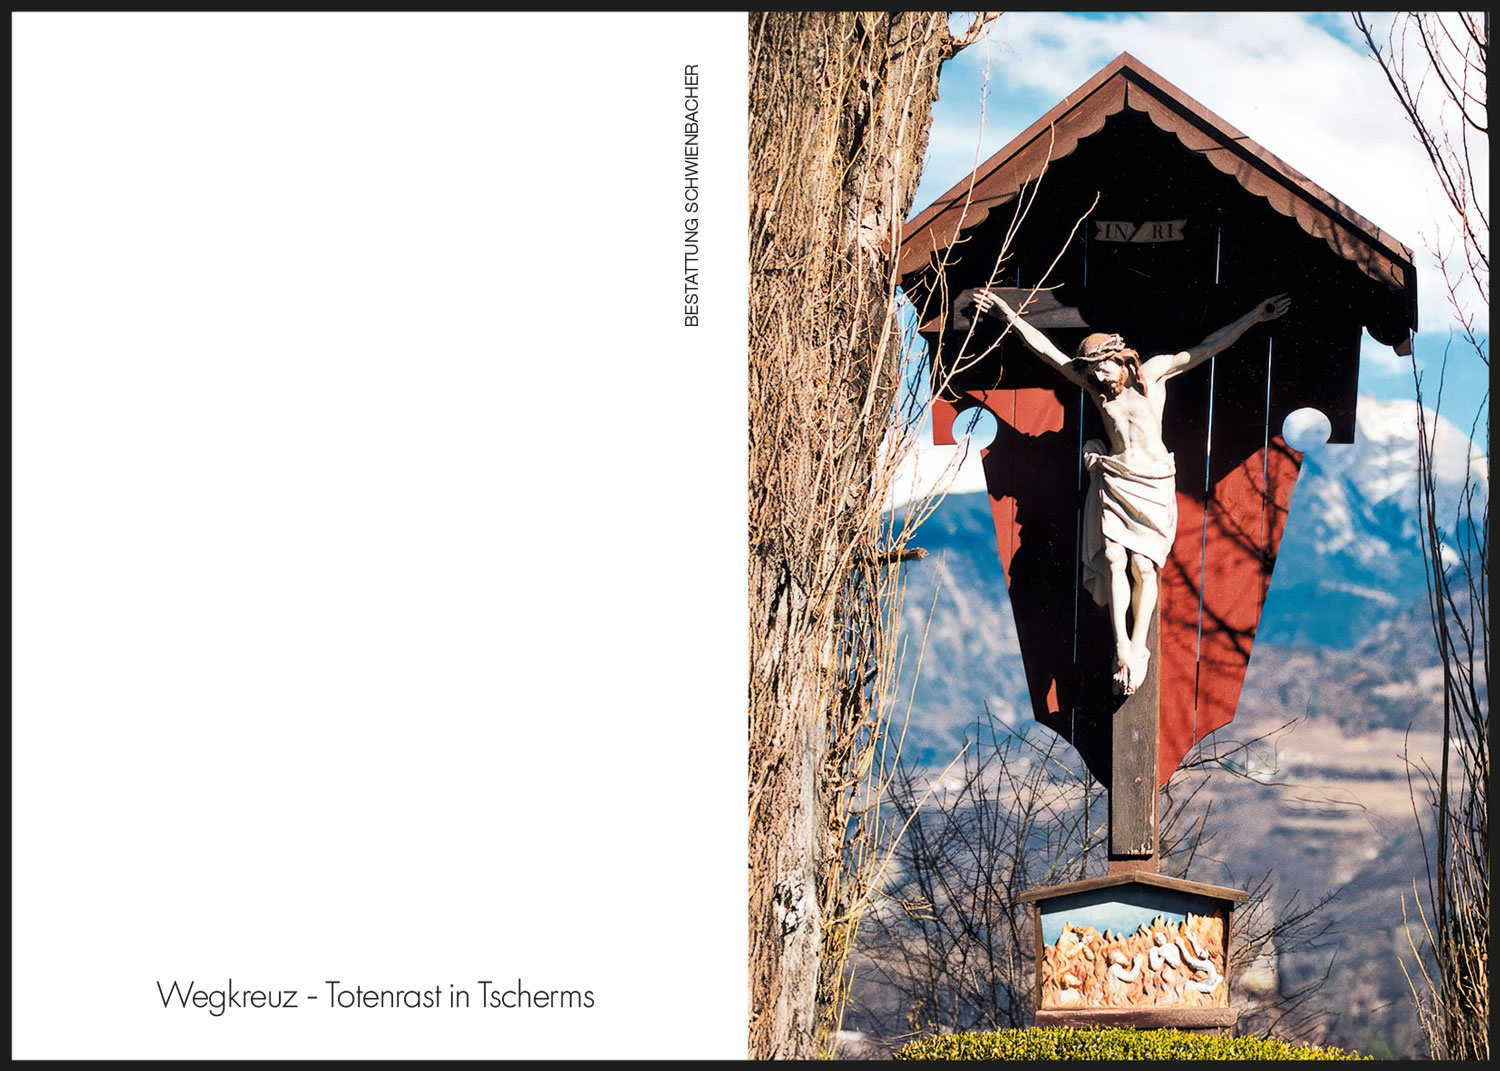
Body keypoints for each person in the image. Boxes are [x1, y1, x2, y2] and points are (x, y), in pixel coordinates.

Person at [970, 289, 1292, 695]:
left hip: (1152, 481)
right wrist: (1007, 315)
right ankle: (1122, 645)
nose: (1098, 377)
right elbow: (1048, 352)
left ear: (1119, 358)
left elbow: (1206, 348)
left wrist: (1254, 316)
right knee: (1111, 558)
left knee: (1144, 566)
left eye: (1103, 368)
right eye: (1092, 372)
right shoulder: (1095, 389)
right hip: (1118, 478)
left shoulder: (1151, 376)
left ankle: (1139, 646)